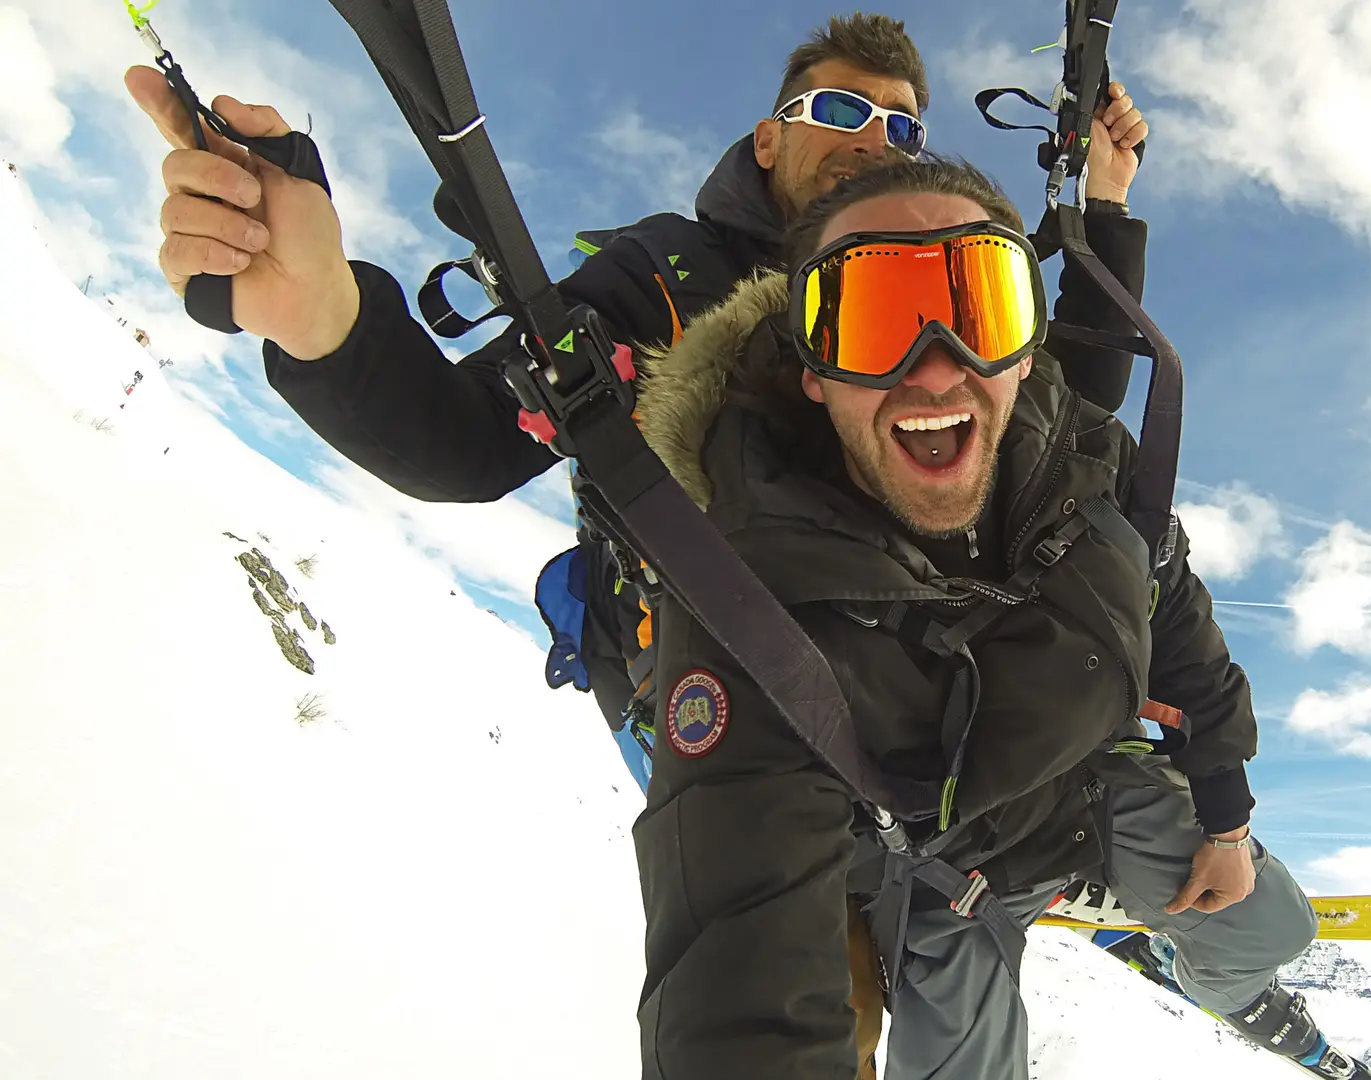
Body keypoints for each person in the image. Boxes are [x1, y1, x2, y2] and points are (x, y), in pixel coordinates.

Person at [123, 13, 1151, 747]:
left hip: (923, 682)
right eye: (842, 107)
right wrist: (326, 323)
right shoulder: (667, 277)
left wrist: (1105, 205)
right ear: (769, 136)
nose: (876, 135)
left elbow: (1069, 416)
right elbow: (467, 439)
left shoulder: (936, 280)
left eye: (902, 125)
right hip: (718, 691)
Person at [627, 156, 1371, 1080]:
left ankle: (1232, 985)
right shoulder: (750, 592)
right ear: (811, 366)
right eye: (872, 318)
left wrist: (1223, 817)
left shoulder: (1090, 469)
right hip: (947, 876)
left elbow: (1178, 627)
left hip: (1088, 797)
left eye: (979, 308)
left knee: (1277, 925)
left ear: (1025, 349)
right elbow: (735, 953)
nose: (937, 370)